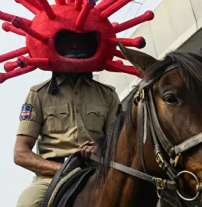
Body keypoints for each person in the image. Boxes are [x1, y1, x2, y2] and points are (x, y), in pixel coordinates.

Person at [13, 33, 121, 207]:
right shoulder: (38, 95)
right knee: (28, 203)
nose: (75, 45)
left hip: (99, 170)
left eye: (81, 39)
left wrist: (99, 149)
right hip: (51, 176)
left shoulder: (108, 95)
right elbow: (20, 153)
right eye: (66, 40)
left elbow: (118, 144)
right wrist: (63, 170)